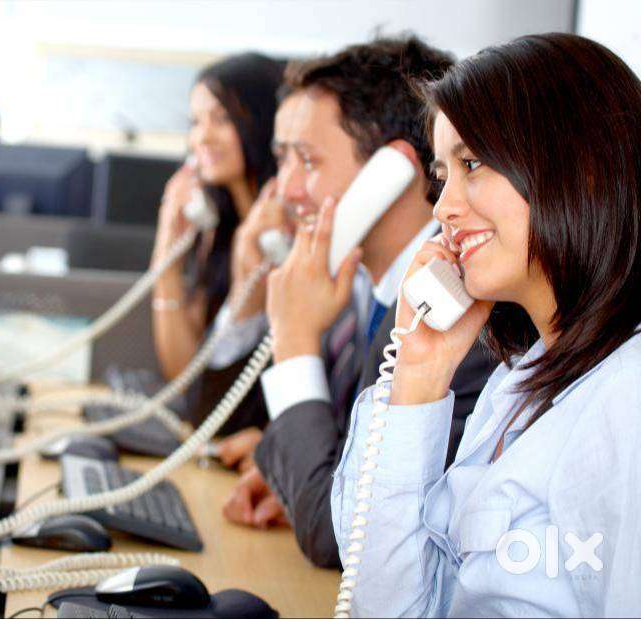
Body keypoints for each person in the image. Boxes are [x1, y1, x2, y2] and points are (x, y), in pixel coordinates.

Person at [331, 33, 640, 616]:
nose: (443, 207)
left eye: (471, 164)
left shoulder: (627, 399)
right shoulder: (518, 383)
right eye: (442, 173)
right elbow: (386, 606)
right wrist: (419, 375)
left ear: (579, 170)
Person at [217, 38, 497, 567]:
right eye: (282, 160)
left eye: (307, 160)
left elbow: (337, 537)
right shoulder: (365, 291)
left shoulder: (457, 313)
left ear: (391, 173)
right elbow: (341, 470)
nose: (285, 190)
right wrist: (296, 479)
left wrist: (295, 342)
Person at [150, 52, 282, 433]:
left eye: (221, 119)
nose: (202, 137)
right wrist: (167, 258)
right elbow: (183, 375)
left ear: (263, 123)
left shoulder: (282, 236)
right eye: (196, 122)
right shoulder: (221, 229)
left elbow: (212, 404)